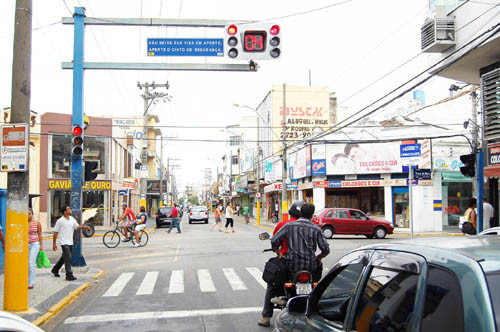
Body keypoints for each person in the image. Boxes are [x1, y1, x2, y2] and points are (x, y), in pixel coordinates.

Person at [258, 200, 303, 327]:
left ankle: (266, 316)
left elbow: (274, 241)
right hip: (308, 264)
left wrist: (278, 253)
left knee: (272, 283)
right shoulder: (311, 226)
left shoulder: (284, 224)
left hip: (286, 261)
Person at [52, 206, 90, 281]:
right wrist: (54, 244)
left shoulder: (72, 219)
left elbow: (77, 227)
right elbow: (55, 232)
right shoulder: (60, 221)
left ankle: (55, 269)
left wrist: (84, 227)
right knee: (68, 258)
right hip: (64, 242)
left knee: (64, 258)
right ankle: (69, 275)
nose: (70, 210)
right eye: (68, 209)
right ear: (65, 212)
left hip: (70, 242)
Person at [28, 208, 43, 289]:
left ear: (32, 214)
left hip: (34, 244)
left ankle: (31, 282)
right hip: (25, 245)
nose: (28, 216)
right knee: (25, 264)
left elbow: (40, 234)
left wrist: (41, 246)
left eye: (29, 214)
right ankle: (26, 280)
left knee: (31, 263)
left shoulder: (37, 223)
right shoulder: (22, 223)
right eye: (26, 214)